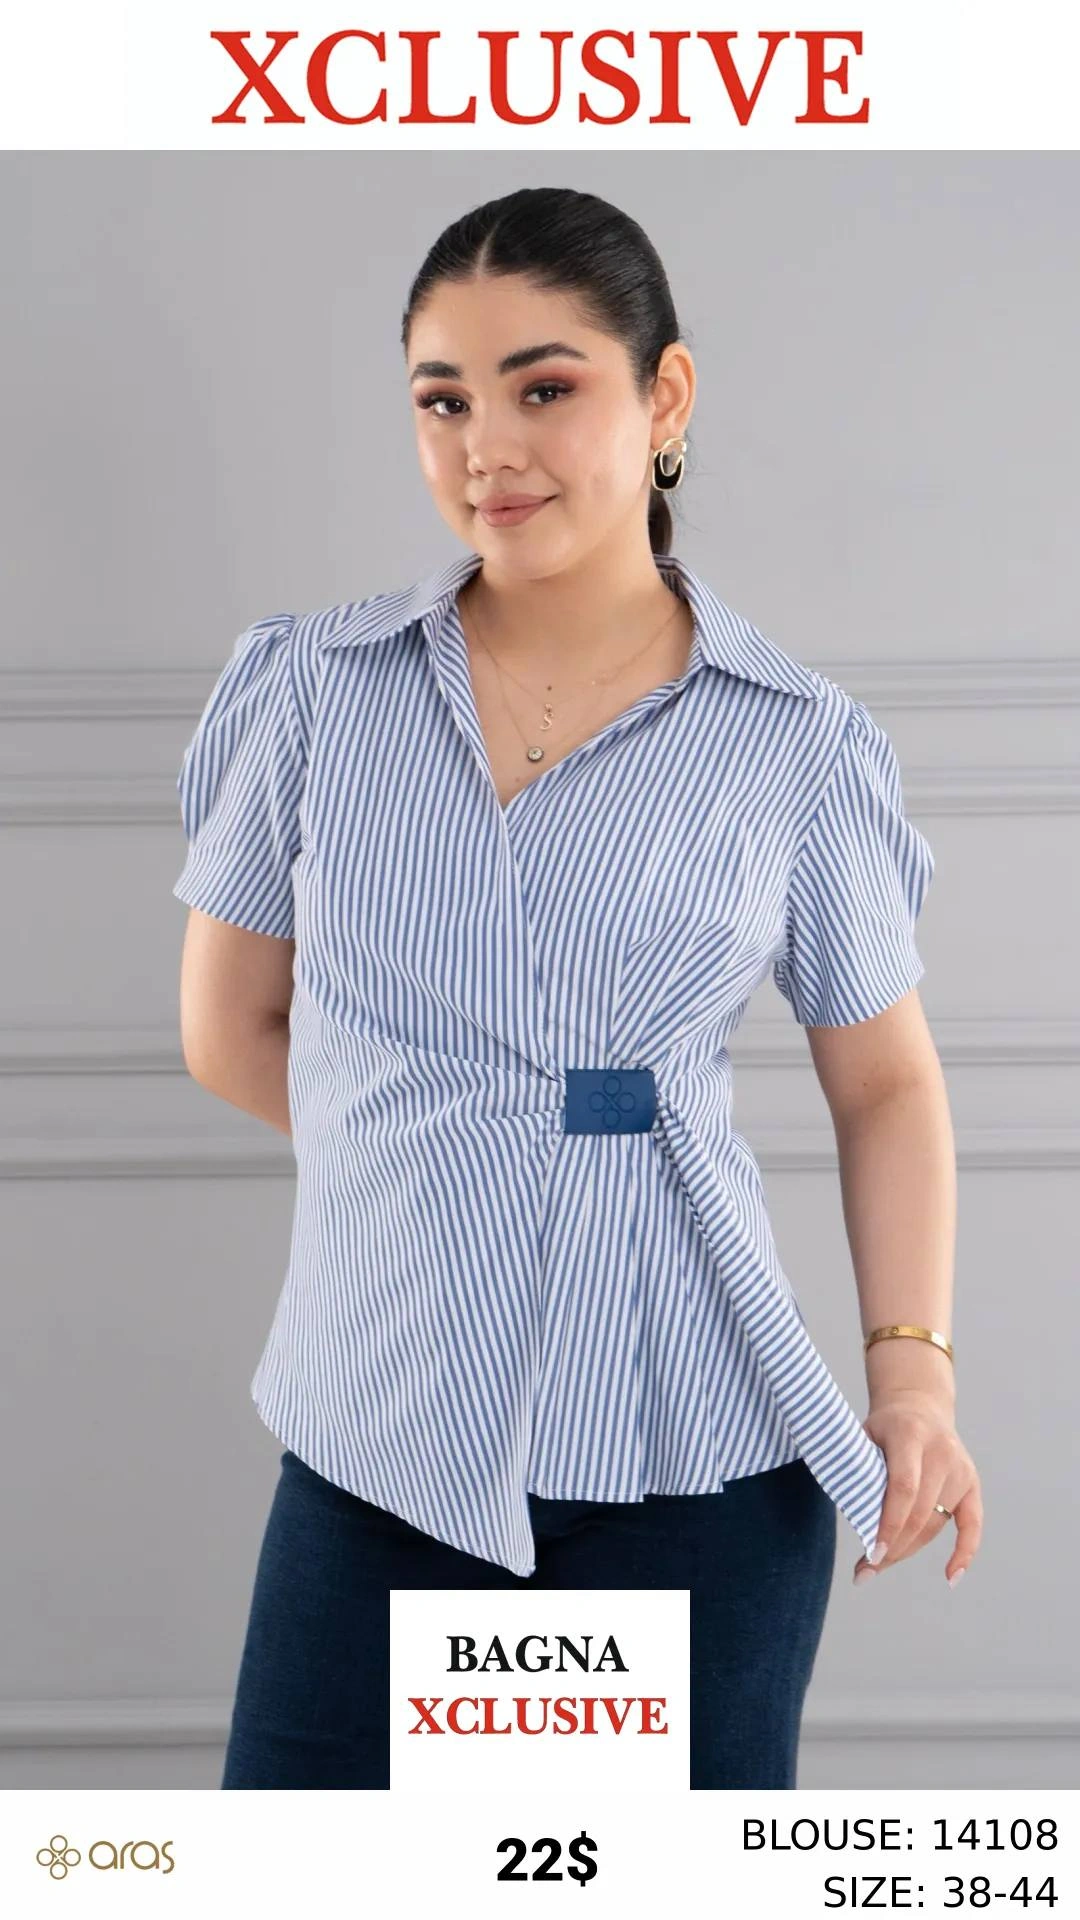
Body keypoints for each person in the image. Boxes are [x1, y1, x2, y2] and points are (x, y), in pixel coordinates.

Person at [173, 186, 982, 1791]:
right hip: (377, 1439)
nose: (488, 447)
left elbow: (887, 1082)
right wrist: (455, 1166)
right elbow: (230, 1031)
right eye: (443, 400)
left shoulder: (796, 744)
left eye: (544, 387)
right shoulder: (313, 692)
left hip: (699, 1459)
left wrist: (912, 1377)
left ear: (664, 396)